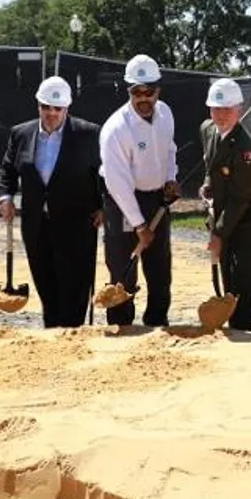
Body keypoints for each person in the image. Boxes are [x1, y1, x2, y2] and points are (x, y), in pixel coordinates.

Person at [0, 76, 103, 328]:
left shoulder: (89, 134)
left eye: (58, 108)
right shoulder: (21, 134)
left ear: (67, 108)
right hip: (36, 226)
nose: (51, 113)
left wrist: (104, 206)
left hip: (76, 224)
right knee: (46, 284)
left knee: (74, 287)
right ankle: (52, 335)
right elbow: (7, 170)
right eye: (46, 107)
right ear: (38, 106)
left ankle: (72, 335)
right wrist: (5, 197)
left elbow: (106, 173)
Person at [98, 54, 181, 326]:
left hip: (157, 198)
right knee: (124, 269)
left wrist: (170, 178)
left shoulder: (167, 112)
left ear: (158, 90)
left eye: (150, 91)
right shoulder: (116, 129)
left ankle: (157, 322)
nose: (144, 98)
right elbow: (117, 183)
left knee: (160, 267)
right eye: (137, 92)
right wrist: (140, 225)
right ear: (128, 91)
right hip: (124, 202)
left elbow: (170, 149)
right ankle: (121, 324)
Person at [200, 77, 251, 331]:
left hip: (250, 218)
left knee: (245, 273)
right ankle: (229, 309)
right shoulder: (207, 129)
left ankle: (244, 324)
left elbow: (240, 199)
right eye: (216, 108)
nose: (221, 115)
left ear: (239, 110)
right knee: (225, 267)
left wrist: (218, 233)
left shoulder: (247, 151)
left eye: (227, 109)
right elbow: (211, 164)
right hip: (226, 210)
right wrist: (208, 183)